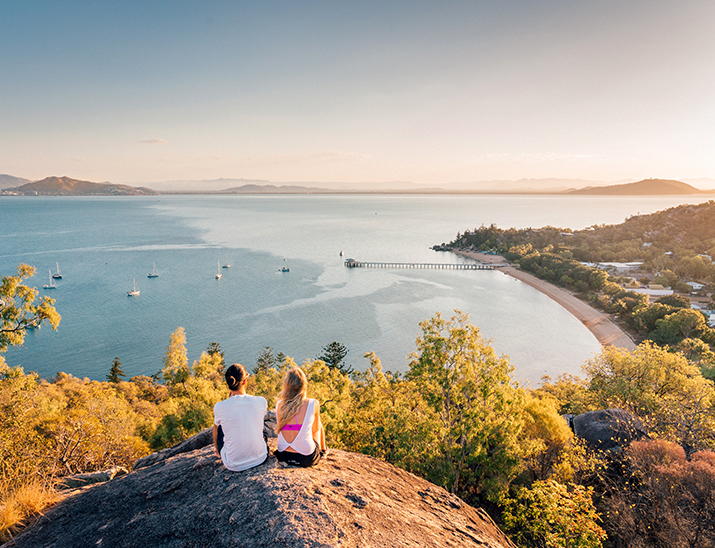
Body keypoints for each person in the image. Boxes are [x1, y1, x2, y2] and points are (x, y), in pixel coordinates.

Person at [213, 363, 268, 471]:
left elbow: (217, 430)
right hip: (260, 458)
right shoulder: (261, 401)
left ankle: (217, 453)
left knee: (218, 426)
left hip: (233, 464)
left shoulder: (220, 406)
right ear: (244, 381)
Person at [274, 368, 327, 467]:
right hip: (306, 458)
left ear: (286, 385)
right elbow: (315, 430)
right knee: (318, 424)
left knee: (292, 425)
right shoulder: (312, 403)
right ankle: (323, 451)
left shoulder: (279, 404)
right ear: (303, 385)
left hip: (283, 455)